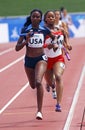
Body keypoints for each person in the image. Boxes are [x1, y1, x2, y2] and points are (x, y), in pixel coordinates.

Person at [15, 9, 58, 120]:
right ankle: (46, 84)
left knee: (38, 82)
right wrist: (26, 40)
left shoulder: (44, 29)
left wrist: (53, 45)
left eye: (37, 16)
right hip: (29, 60)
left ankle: (39, 111)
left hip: (41, 59)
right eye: (33, 16)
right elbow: (17, 48)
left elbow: (54, 37)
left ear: (40, 19)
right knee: (33, 85)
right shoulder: (25, 30)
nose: (35, 18)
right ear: (31, 18)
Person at [43, 10, 72, 112]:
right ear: (45, 19)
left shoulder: (60, 29)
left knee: (58, 77)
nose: (51, 18)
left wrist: (67, 45)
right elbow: (38, 47)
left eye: (53, 17)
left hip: (58, 58)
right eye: (49, 17)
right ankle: (49, 83)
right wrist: (48, 45)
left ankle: (58, 104)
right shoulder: (42, 31)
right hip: (46, 60)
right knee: (51, 83)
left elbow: (63, 40)